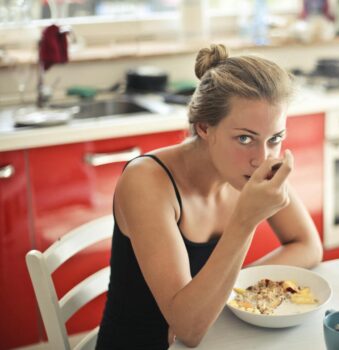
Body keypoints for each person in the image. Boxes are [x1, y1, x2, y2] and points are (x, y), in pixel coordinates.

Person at [96, 43, 323, 349]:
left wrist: (221, 292)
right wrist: (246, 220)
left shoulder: (252, 167)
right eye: (245, 138)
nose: (262, 158)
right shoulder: (147, 182)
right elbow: (188, 329)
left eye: (275, 139)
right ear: (204, 127)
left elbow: (308, 246)